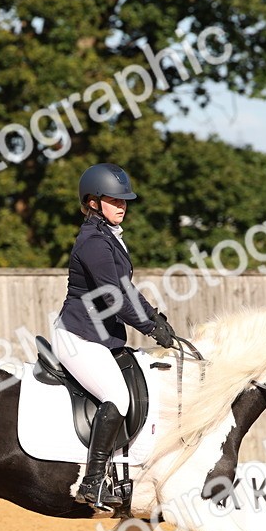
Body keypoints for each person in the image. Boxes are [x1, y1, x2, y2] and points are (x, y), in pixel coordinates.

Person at [53, 162, 176, 509]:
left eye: (125, 201)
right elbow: (114, 296)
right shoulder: (92, 242)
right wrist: (150, 328)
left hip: (102, 337)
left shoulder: (107, 236)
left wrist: (156, 317)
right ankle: (92, 483)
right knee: (117, 397)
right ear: (92, 202)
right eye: (114, 200)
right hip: (79, 337)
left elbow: (127, 289)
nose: (123, 205)